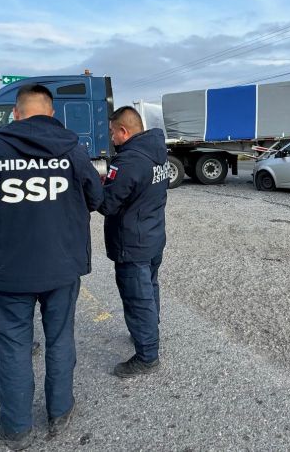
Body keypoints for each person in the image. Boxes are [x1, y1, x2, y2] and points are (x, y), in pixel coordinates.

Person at [0, 84, 103, 450]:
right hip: (62, 267)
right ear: (51, 115)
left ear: (15, 114)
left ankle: (16, 427)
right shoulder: (73, 151)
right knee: (60, 338)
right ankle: (60, 411)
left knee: (15, 346)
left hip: (8, 269)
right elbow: (97, 198)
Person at [98, 106, 170, 378]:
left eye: (112, 133)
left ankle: (147, 355)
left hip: (132, 242)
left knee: (137, 297)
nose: (112, 139)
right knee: (150, 288)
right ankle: (149, 331)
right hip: (152, 236)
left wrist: (98, 184)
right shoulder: (157, 153)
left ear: (124, 131)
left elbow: (106, 204)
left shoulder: (127, 161)